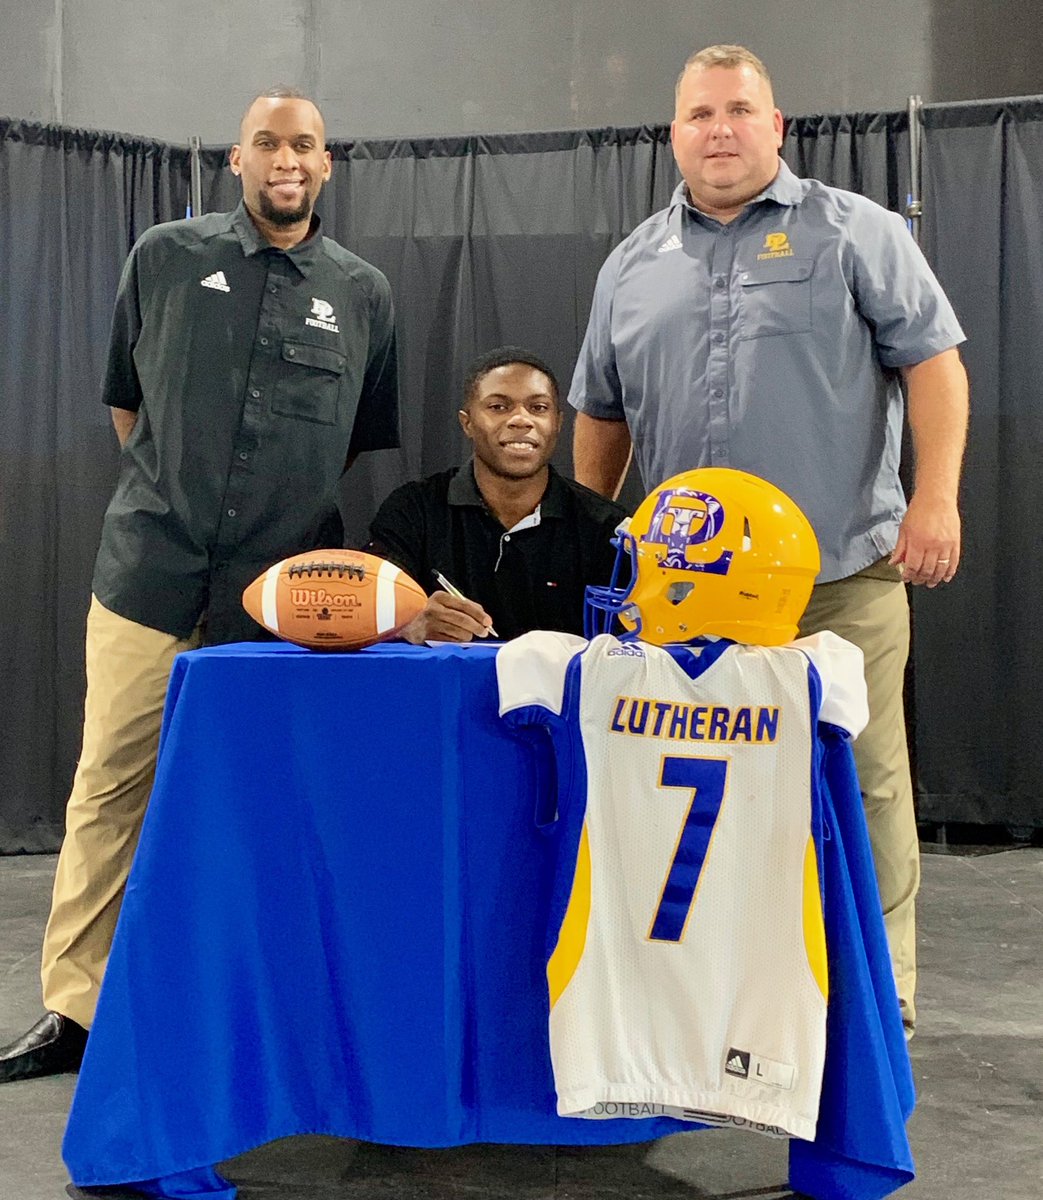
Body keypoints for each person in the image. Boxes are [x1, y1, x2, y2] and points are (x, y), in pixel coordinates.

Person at [568, 44, 969, 1035]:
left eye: (738, 110)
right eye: (699, 114)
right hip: (682, 596)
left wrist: (935, 500)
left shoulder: (855, 234)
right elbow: (601, 414)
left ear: (775, 125)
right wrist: (582, 537)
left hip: (838, 578)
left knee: (864, 778)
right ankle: (705, 991)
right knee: (688, 783)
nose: (719, 130)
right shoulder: (629, 263)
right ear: (673, 134)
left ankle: (881, 999)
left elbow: (933, 366)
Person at [0, 89, 399, 1082]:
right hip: (150, 575)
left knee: (260, 801)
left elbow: (350, 444)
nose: (285, 159)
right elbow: (126, 408)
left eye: (303, 142)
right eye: (266, 141)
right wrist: (180, 497)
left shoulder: (362, 294)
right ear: (236, 158)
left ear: (327, 161)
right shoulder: (165, 258)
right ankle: (76, 1011)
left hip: (281, 603)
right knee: (109, 790)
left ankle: (243, 1004)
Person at [366, 347, 625, 644]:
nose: (520, 420)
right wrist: (408, 623)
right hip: (446, 689)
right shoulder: (412, 511)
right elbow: (366, 607)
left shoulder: (606, 527)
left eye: (538, 408)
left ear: (558, 423)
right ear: (467, 423)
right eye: (498, 407)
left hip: (565, 691)